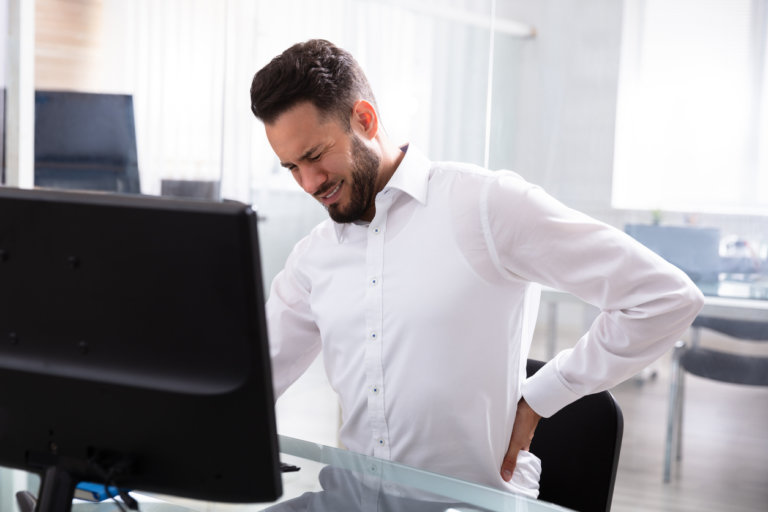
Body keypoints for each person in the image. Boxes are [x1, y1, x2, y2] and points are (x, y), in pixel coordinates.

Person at [249, 39, 704, 499]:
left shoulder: (486, 205)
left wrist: (542, 395)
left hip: (472, 503)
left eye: (314, 156)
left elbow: (665, 297)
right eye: (290, 167)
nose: (308, 183)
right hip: (349, 498)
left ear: (364, 120)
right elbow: (252, 375)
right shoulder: (314, 256)